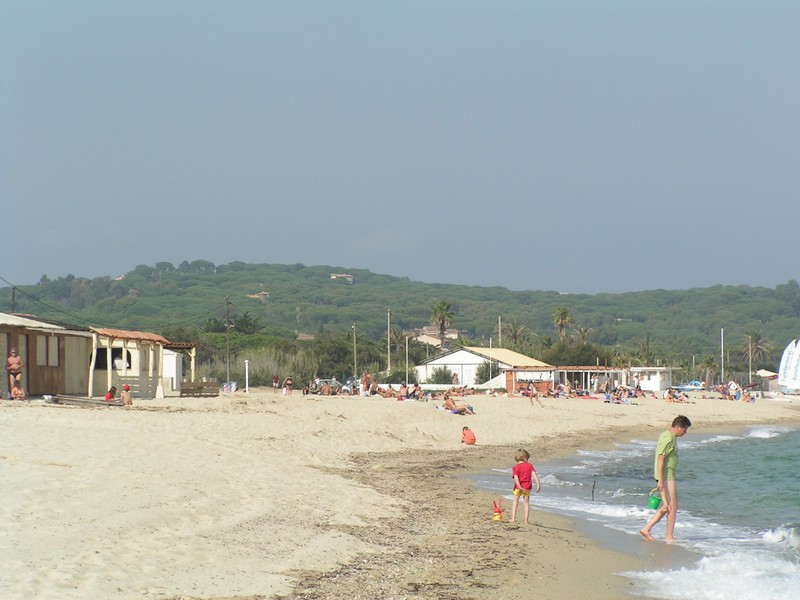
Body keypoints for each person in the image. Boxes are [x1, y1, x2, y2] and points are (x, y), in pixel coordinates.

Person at [640, 415, 692, 542]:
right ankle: (668, 537)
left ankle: (647, 529)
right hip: (666, 476)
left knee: (668, 506)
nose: (685, 432)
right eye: (684, 429)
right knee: (672, 507)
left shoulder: (668, 436)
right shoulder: (668, 438)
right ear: (678, 427)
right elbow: (661, 458)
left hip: (667, 476)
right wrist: (661, 480)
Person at [510, 448, 541, 525]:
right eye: (527, 458)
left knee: (515, 502)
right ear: (524, 457)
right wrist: (538, 484)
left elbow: (516, 477)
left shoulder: (515, 467)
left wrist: (519, 486)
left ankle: (513, 518)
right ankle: (526, 521)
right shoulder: (530, 466)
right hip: (527, 487)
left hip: (518, 487)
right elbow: (534, 474)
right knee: (526, 503)